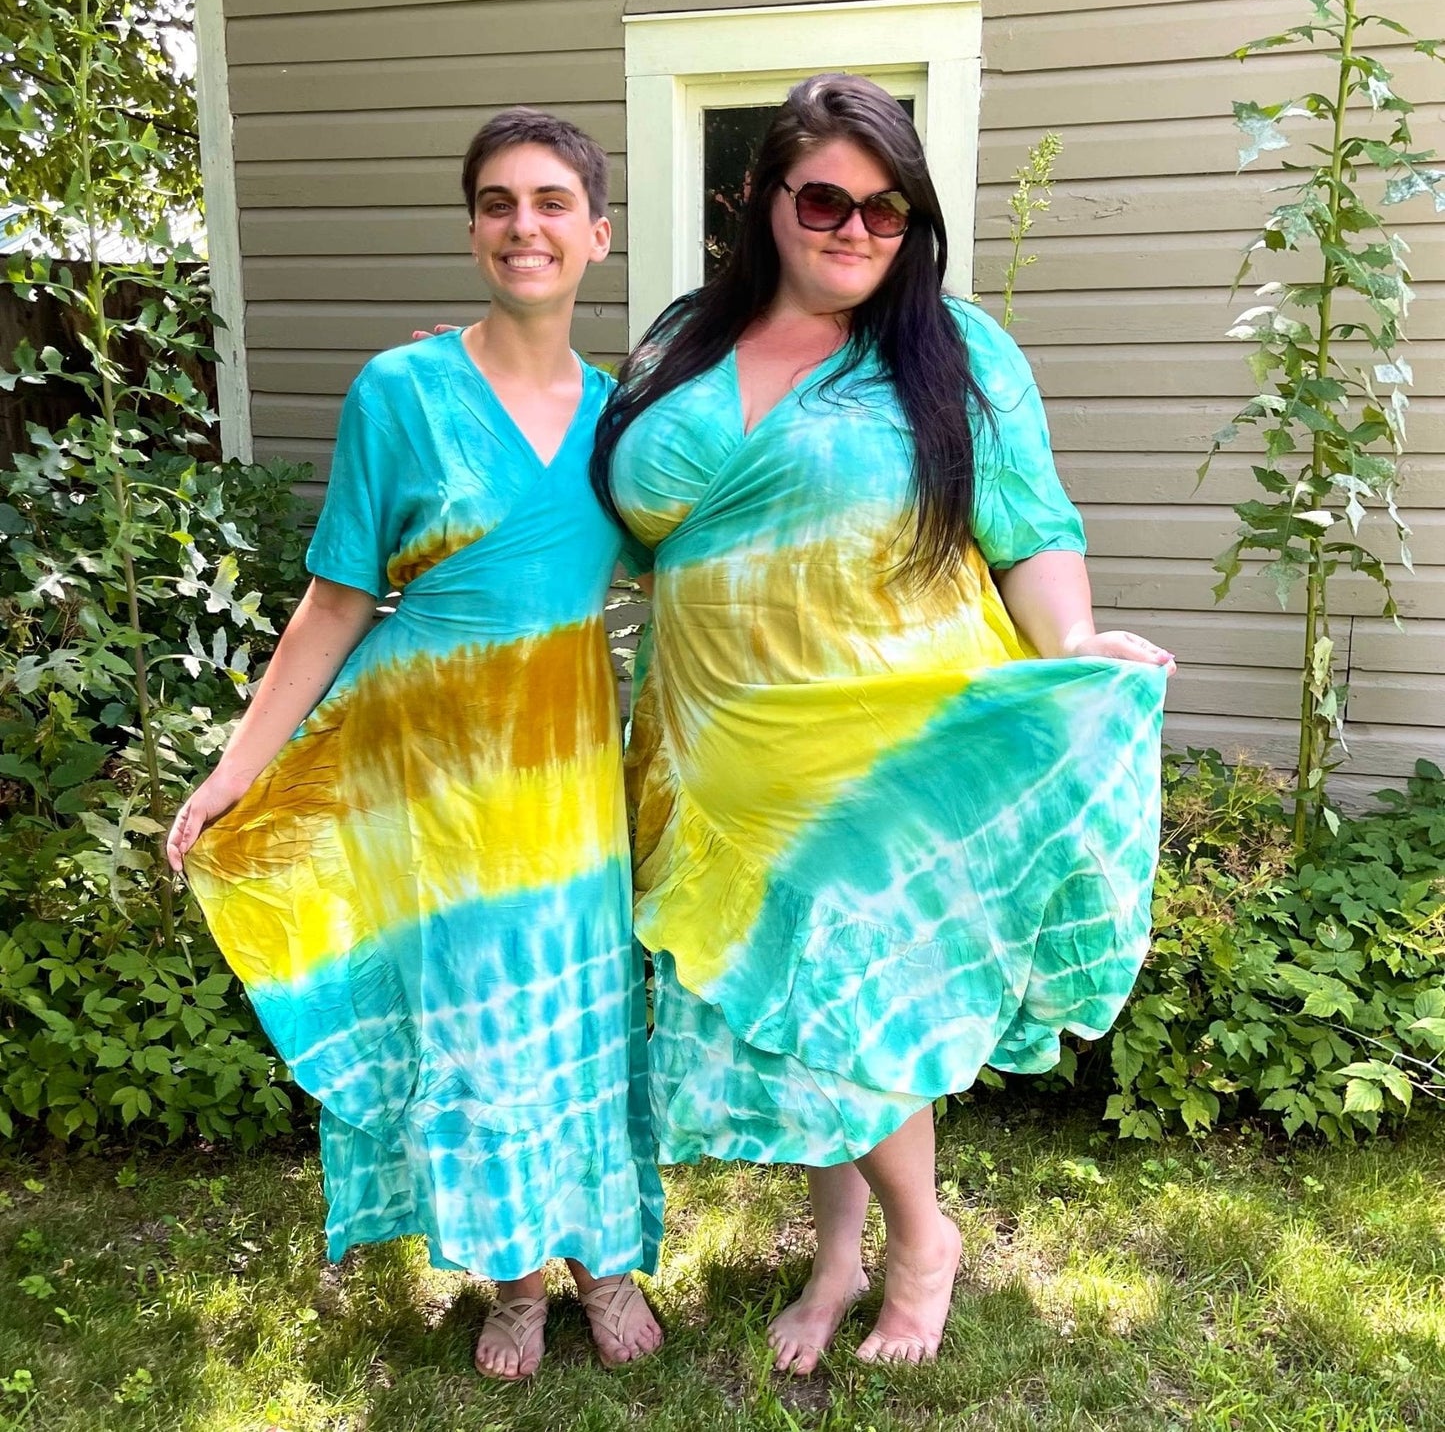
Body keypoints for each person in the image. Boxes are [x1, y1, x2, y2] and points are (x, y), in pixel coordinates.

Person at [590, 74, 1173, 1373]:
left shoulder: (951, 352)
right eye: (825, 199)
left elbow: (1031, 528)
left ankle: (920, 1242)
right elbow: (618, 522)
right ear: (762, 202)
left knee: (851, 997)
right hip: (714, 745)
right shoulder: (685, 338)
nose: (854, 228)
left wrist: (1071, 646)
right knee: (806, 1003)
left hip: (875, 737)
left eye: (887, 208)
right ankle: (839, 1255)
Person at [168, 108, 664, 1382]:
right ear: (472, 230)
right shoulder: (398, 393)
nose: (524, 225)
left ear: (597, 235)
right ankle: (510, 1278)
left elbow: (698, 575)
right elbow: (337, 596)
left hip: (565, 779)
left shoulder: (625, 422)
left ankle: (600, 1259)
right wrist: (235, 769)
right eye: (498, 203)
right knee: (482, 1025)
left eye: (552, 202)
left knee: (583, 1015)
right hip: (433, 779)